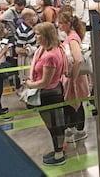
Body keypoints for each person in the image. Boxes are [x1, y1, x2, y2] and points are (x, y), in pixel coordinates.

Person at [24, 22, 67, 166]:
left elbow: (44, 82)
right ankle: (58, 150)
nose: (35, 37)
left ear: (46, 35)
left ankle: (59, 153)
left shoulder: (50, 56)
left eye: (38, 34)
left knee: (54, 124)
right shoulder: (53, 49)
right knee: (54, 123)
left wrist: (29, 85)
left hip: (49, 93)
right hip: (52, 91)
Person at [58, 10, 89, 143]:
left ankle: (79, 129)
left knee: (77, 102)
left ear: (68, 24)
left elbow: (78, 59)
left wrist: (73, 77)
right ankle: (72, 127)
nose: (59, 26)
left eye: (61, 23)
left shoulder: (72, 38)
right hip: (70, 75)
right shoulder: (69, 36)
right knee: (71, 102)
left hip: (74, 77)